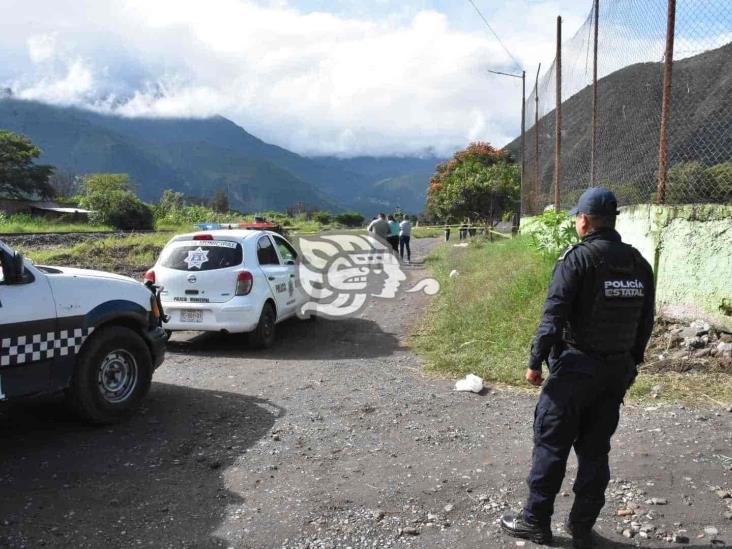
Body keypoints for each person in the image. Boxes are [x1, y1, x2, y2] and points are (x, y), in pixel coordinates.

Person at [500, 187, 655, 549]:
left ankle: (535, 522)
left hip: (574, 371)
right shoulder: (638, 263)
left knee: (551, 445)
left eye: (577, 218)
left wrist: (534, 362)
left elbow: (553, 315)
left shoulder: (577, 258)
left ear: (583, 220)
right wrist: (631, 364)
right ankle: (582, 529)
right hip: (615, 374)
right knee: (596, 450)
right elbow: (645, 322)